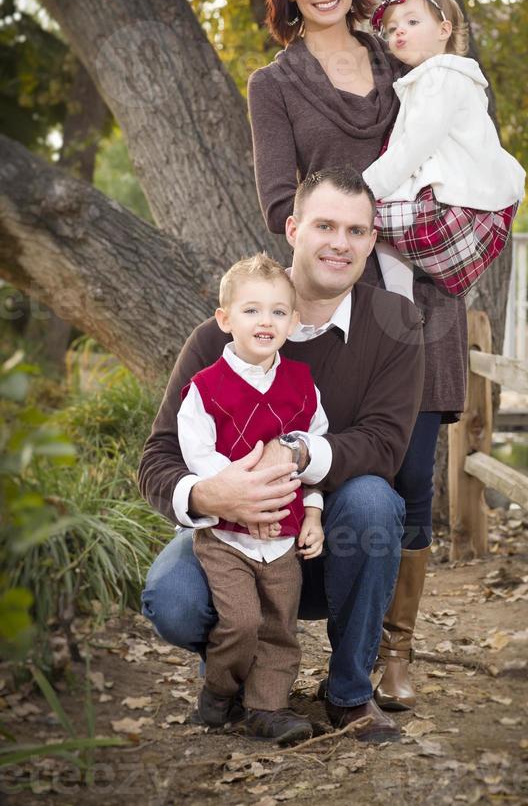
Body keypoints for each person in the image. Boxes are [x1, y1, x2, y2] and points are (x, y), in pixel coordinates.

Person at [248, 0, 468, 710]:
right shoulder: (274, 86)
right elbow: (281, 204)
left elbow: (459, 142)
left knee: (412, 481)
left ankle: (391, 655)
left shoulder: (400, 58)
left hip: (424, 297)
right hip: (337, 308)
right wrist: (353, 232)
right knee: (341, 473)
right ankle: (284, 641)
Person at [139, 168, 425, 743]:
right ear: (292, 228)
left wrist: (297, 454)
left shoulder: (394, 324)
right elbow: (159, 458)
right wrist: (208, 493)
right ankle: (238, 676)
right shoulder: (216, 338)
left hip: (324, 541)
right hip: (231, 538)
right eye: (324, 225)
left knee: (373, 499)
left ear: (372, 242)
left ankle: (348, 693)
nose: (339, 243)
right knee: (172, 599)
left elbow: (384, 444)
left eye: (355, 230)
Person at [178, 254, 327, 745]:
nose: (266, 322)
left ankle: (269, 708)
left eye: (279, 312)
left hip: (282, 540)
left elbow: (315, 452)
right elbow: (198, 456)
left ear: (294, 320)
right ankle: (220, 688)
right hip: (226, 536)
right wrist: (244, 501)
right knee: (241, 621)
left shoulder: (302, 386)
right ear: (224, 319)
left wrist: (311, 511)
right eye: (252, 311)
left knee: (280, 627)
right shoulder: (205, 389)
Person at [363, 0, 526, 300]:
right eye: (392, 28)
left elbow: (414, 146)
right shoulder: (440, 78)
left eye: (411, 22)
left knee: (368, 215)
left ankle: (399, 298)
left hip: (458, 206)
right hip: (468, 203)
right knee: (381, 221)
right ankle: (400, 297)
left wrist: (364, 188)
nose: (399, 32)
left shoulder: (440, 77)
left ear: (444, 30)